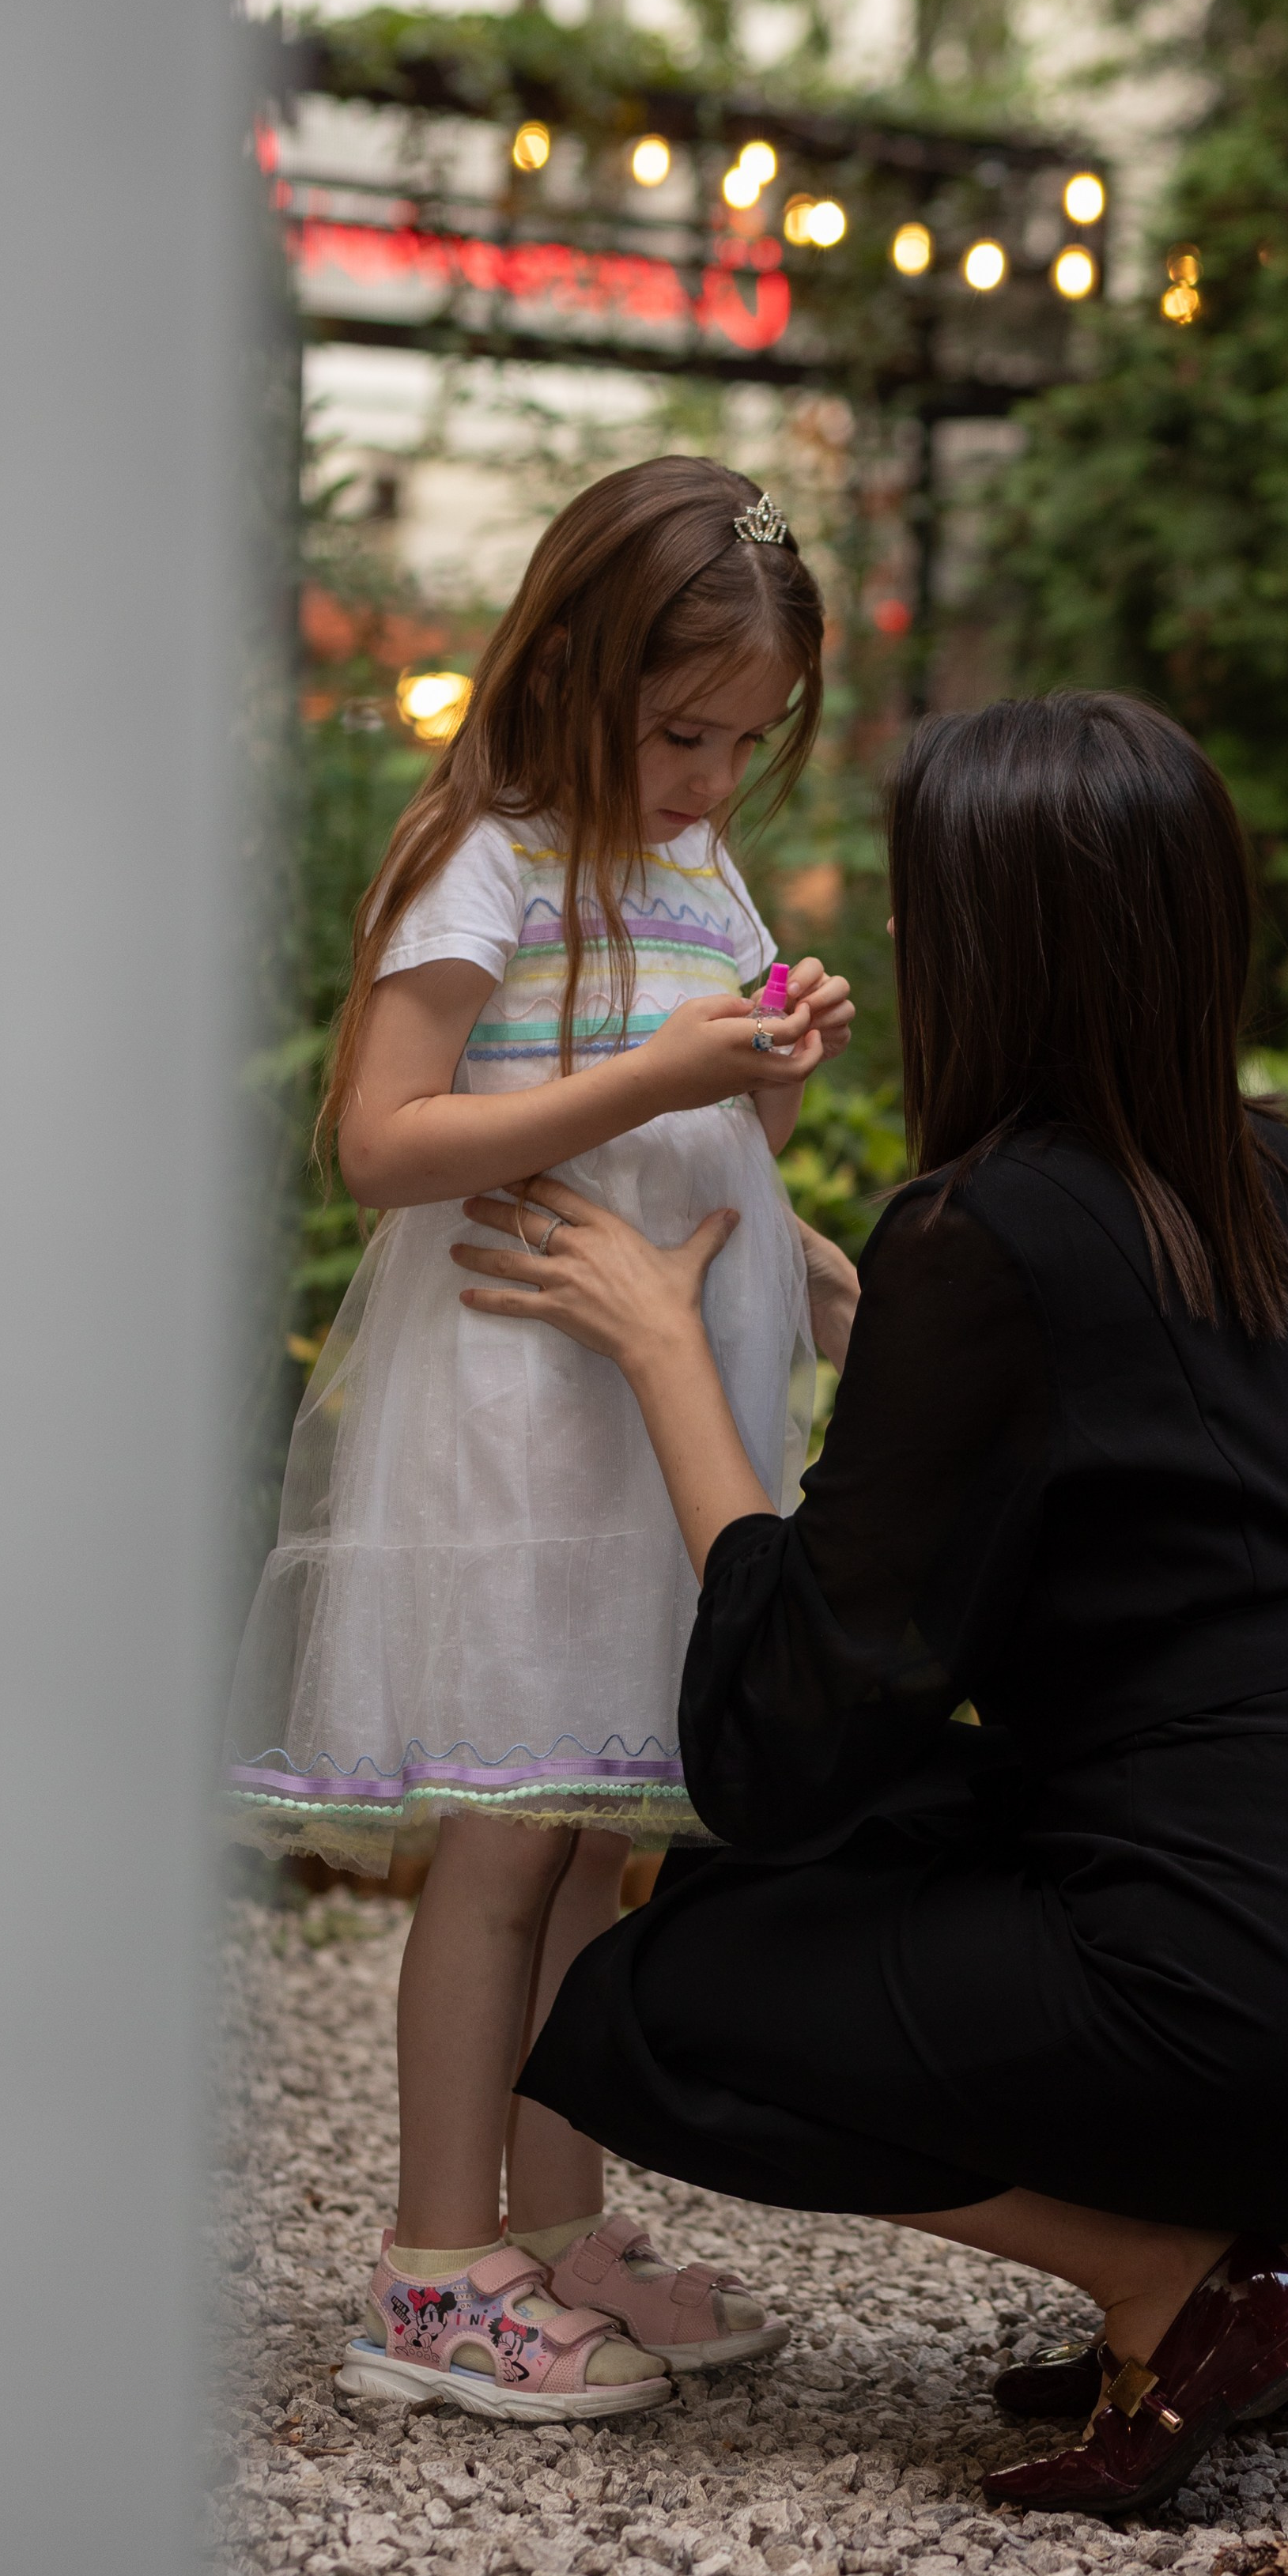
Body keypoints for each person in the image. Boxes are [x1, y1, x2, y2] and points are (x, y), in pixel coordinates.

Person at [450, 691, 1288, 2513]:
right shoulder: (1261, 1177)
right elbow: (1155, 1500)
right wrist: (887, 1342)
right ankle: (1263, 2253)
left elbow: (795, 1721)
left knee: (667, 1991)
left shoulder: (986, 1223)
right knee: (841, 1861)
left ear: (984, 942)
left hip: (1258, 1994)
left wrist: (664, 1354)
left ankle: (1179, 2286)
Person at [223, 457, 856, 2423]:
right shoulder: (483, 853)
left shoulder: (690, 866)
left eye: (745, 745)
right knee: (502, 1834)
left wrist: (795, 1200)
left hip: (651, 1406)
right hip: (521, 1414)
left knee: (590, 1821)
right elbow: (383, 1139)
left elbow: (701, 1135)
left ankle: (554, 2225)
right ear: (573, 666)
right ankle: (431, 2264)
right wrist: (655, 1066)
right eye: (681, 732)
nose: (707, 779)